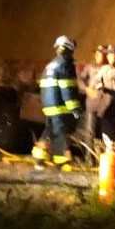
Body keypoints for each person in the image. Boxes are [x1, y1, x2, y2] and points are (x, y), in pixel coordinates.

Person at [37, 35, 81, 171]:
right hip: (59, 106)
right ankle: (62, 161)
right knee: (60, 132)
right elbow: (67, 89)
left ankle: (39, 158)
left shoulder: (51, 65)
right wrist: (74, 109)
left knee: (48, 130)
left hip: (48, 104)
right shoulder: (66, 65)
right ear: (69, 50)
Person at [95, 45, 115, 144]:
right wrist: (98, 86)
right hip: (108, 112)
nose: (107, 56)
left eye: (110, 54)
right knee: (111, 145)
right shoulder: (104, 70)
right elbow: (95, 83)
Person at [78, 45, 107, 153]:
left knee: (104, 131)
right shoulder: (90, 67)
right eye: (97, 54)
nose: (99, 56)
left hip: (106, 104)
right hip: (92, 103)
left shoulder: (108, 68)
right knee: (90, 130)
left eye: (102, 54)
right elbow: (80, 80)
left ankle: (101, 156)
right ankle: (89, 157)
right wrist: (86, 89)